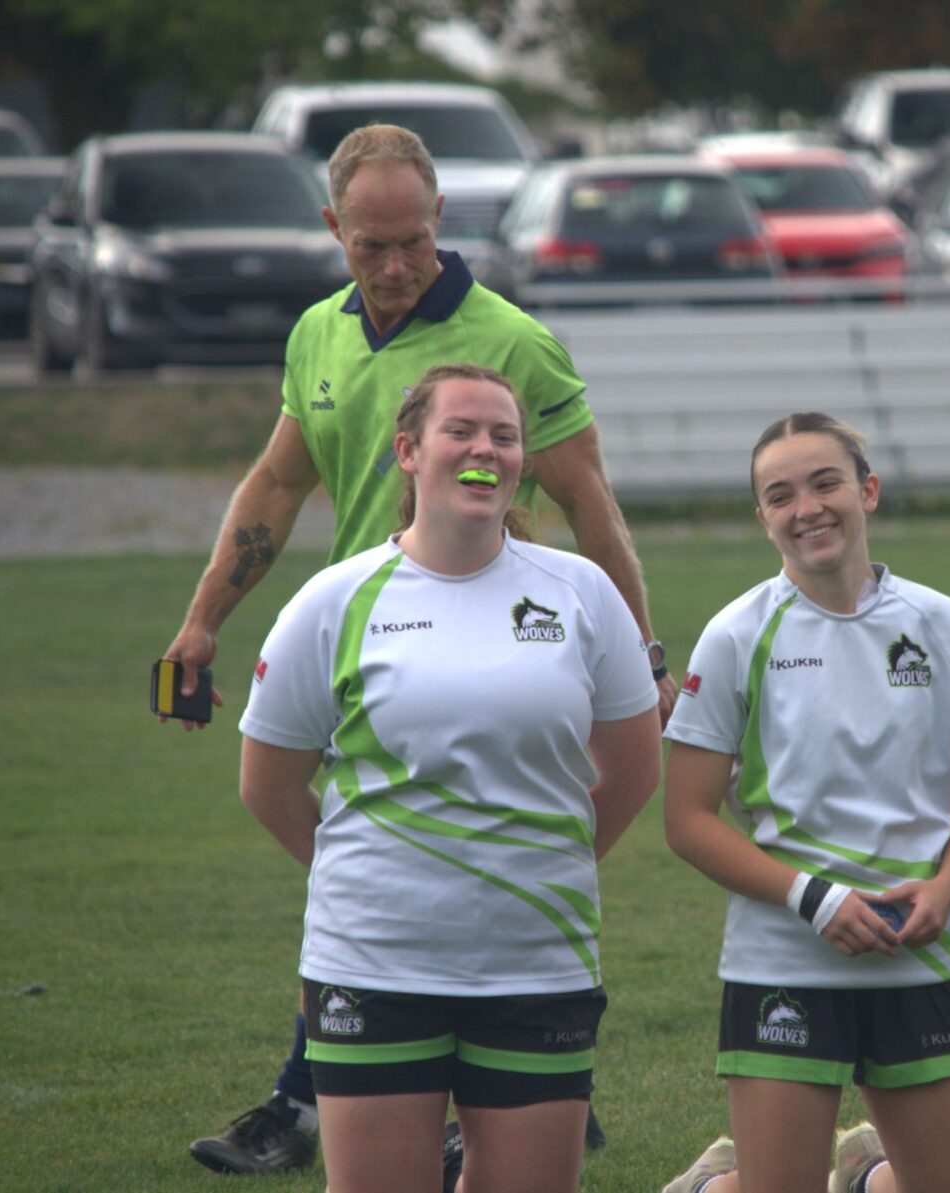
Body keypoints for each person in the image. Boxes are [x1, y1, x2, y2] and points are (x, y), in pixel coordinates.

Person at [172, 124, 674, 1175]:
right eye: (371, 247)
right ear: (333, 232)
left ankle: (418, 1098)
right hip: (361, 654)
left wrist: (640, 654)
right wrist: (204, 614)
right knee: (385, 910)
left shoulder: (515, 343)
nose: (396, 267)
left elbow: (590, 503)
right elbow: (274, 485)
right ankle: (327, 1096)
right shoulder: (317, 334)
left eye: (414, 241)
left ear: (443, 221)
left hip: (506, 641)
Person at [236, 363, 661, 1193]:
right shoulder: (334, 601)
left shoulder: (581, 592)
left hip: (538, 959)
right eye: (460, 430)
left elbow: (635, 770)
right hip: (374, 958)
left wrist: (541, 863)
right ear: (408, 451)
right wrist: (370, 875)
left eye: (505, 435)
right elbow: (270, 784)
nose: (485, 449)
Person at [658, 413, 950, 1193]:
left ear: (868, 491)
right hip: (784, 959)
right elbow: (686, 819)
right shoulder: (735, 634)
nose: (807, 507)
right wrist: (813, 899)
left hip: (920, 956)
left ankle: (860, 1176)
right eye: (780, 495)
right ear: (762, 519)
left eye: (825, 483)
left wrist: (943, 890)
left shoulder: (943, 625)